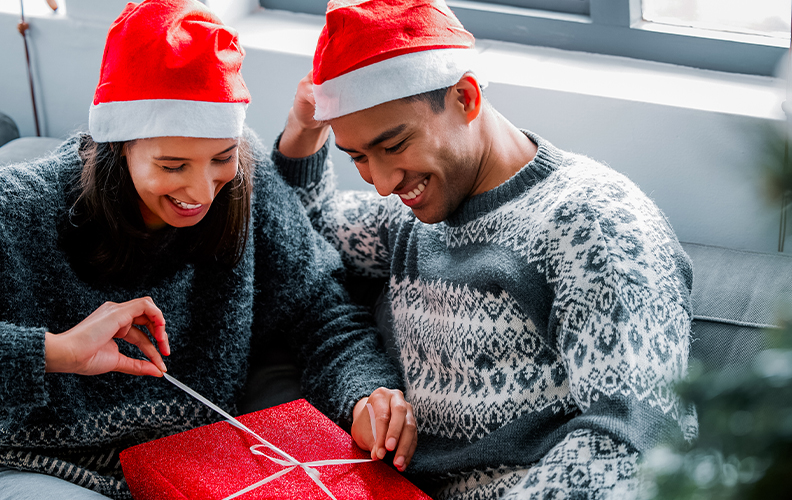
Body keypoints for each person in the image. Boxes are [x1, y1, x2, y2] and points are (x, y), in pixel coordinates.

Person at [274, 0, 698, 497]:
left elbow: (634, 442)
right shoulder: (412, 217)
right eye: (359, 157)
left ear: (465, 97)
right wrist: (305, 128)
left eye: (393, 146)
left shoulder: (596, 227)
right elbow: (303, 233)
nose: (383, 183)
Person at [0, 1, 416, 498]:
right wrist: (56, 352)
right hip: (41, 464)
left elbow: (320, 307)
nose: (200, 191)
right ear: (116, 145)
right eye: (173, 165)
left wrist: (365, 395)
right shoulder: (19, 208)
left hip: (200, 460)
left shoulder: (248, 180)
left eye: (221, 159)